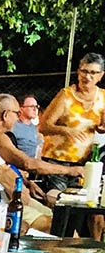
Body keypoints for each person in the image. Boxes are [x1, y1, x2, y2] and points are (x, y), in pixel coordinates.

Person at [37, 55, 105, 191]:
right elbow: (43, 127)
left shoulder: (103, 97)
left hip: (85, 162)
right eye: (84, 71)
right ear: (78, 72)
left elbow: (101, 128)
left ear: (101, 75)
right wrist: (66, 130)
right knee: (57, 198)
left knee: (81, 199)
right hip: (57, 161)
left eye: (93, 72)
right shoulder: (65, 95)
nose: (87, 76)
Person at [0, 93, 75, 193]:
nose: (17, 118)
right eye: (17, 113)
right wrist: (70, 170)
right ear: (5, 115)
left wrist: (27, 183)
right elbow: (28, 164)